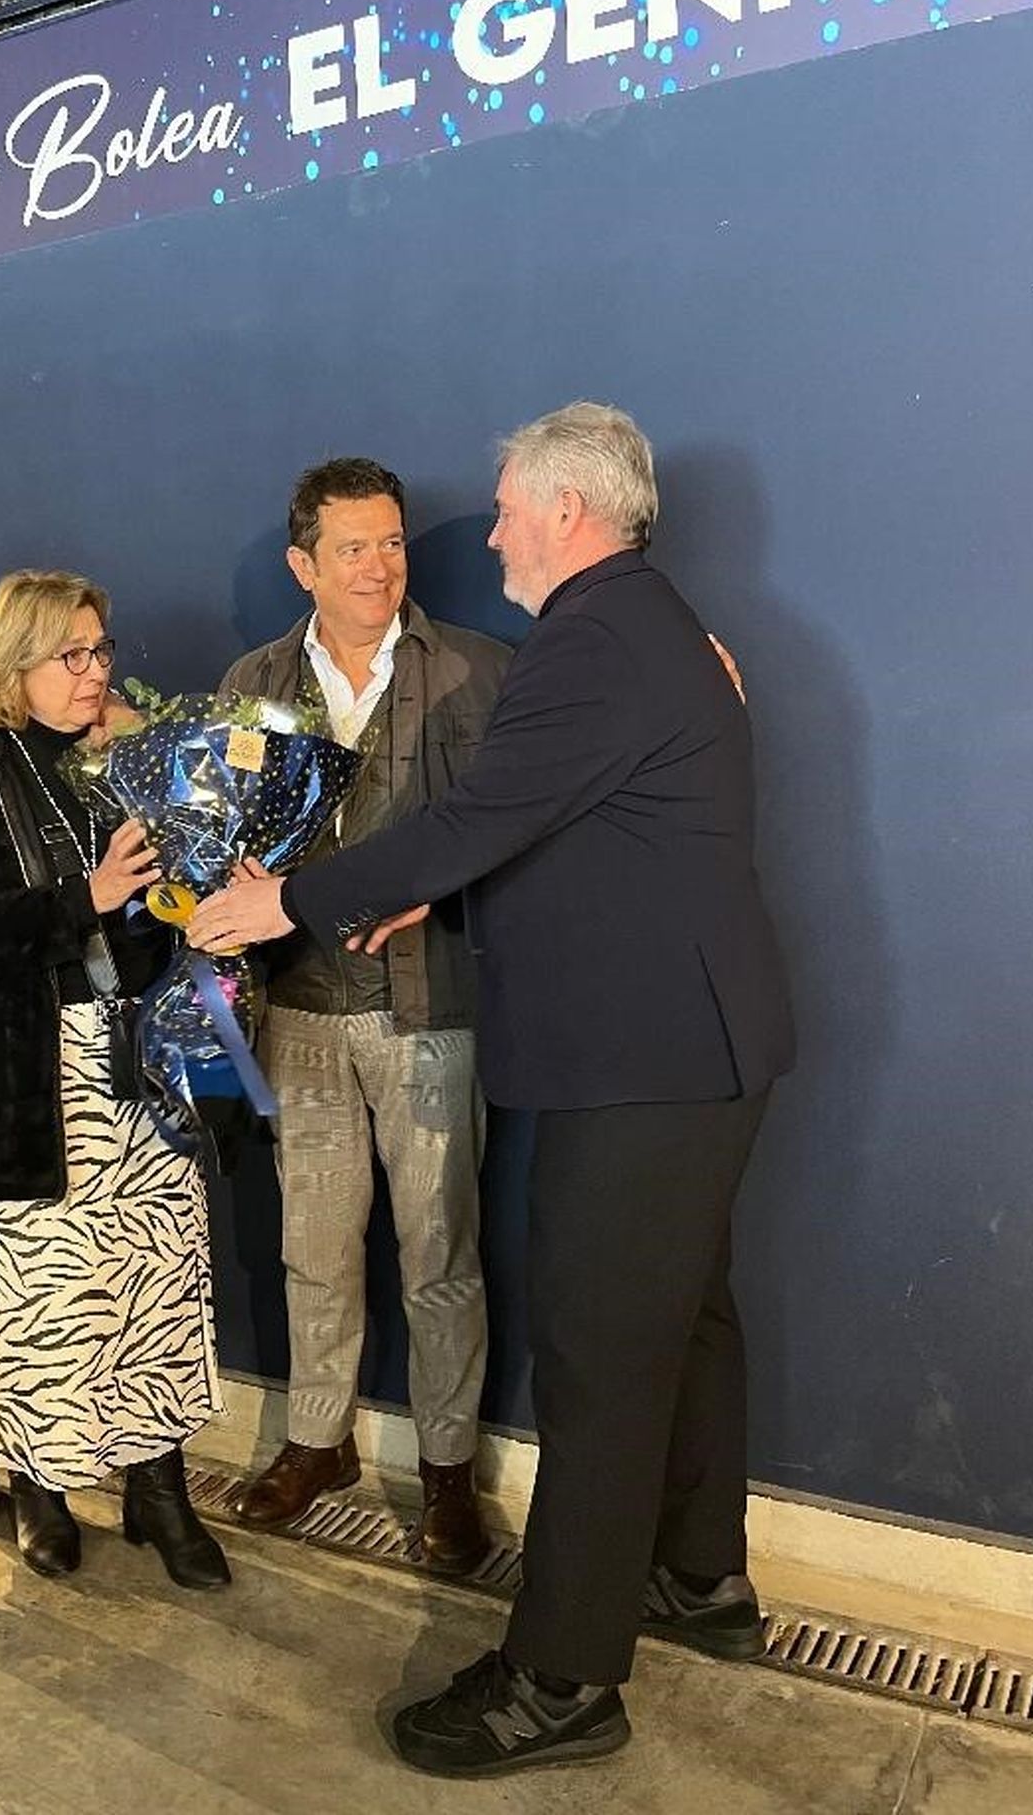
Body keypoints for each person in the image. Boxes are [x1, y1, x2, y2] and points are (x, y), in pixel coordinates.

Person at [190, 403, 794, 1779]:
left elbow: (473, 819)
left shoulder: (596, 637)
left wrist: (287, 893)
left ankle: (563, 1678)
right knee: (686, 1324)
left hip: (645, 1064)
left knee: (600, 1359)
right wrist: (418, 903)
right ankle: (701, 1581)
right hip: (695, 1049)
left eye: (513, 509)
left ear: (570, 512)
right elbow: (559, 822)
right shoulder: (640, 630)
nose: (499, 532)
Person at [0, 569, 231, 1588]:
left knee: (150, 1281)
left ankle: (157, 1490)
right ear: (14, 667)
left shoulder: (130, 764)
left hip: (141, 1068)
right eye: (72, 655)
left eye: (101, 651)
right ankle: (37, 1492)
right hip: (21, 1085)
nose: (96, 672)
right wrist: (78, 899)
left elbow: (185, 895)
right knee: (38, 1299)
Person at [218, 458, 509, 1572]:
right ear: (304, 565)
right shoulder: (254, 680)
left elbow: (514, 836)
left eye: (391, 542)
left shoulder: (477, 671)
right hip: (297, 1011)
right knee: (313, 1247)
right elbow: (225, 830)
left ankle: (447, 1475)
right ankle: (316, 1440)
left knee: (441, 1253)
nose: (381, 565)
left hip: (431, 1011)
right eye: (354, 547)